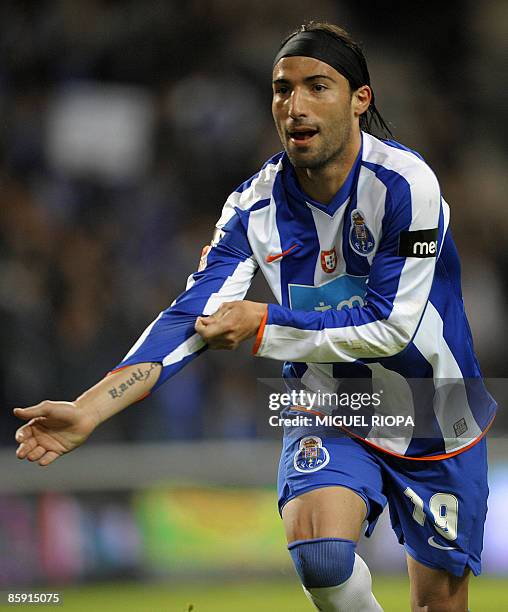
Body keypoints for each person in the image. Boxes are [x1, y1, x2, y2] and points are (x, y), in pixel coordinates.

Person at [14, 21, 495, 612]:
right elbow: (192, 315)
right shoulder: (253, 205)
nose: (295, 105)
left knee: (438, 606)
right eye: (282, 89)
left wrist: (266, 325)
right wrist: (90, 408)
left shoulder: (407, 185)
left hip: (433, 407)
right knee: (321, 559)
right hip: (334, 402)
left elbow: (393, 325)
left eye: (318, 86)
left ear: (360, 99)